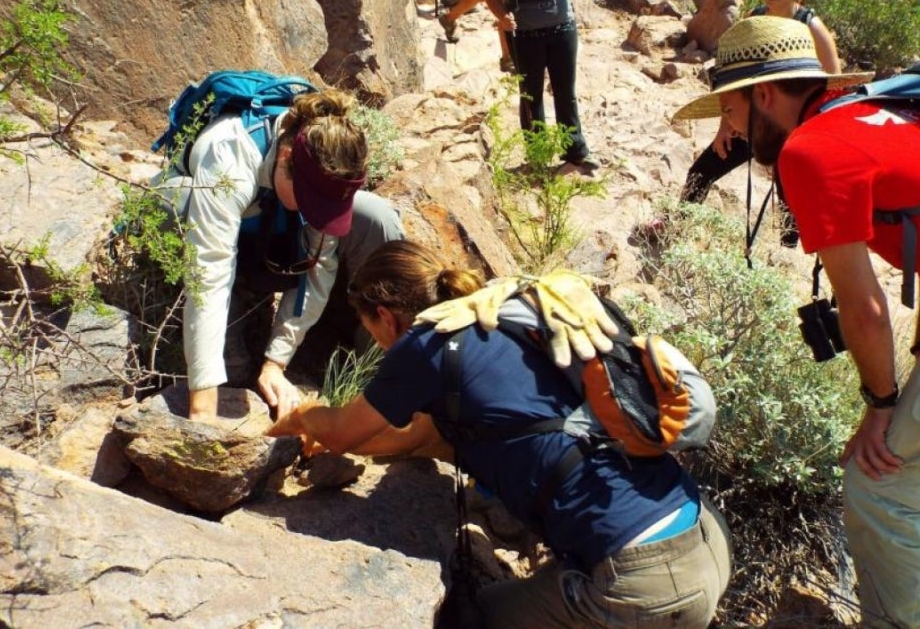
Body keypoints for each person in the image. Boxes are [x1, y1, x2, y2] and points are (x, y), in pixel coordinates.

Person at [674, 16, 920, 629]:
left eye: (727, 109)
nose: (726, 129)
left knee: (883, 490)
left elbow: (864, 306)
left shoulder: (812, 152)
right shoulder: (888, 108)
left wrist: (882, 405)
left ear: (761, 95)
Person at [269, 239, 733, 628]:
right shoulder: (503, 313)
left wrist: (302, 418)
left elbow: (347, 432)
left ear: (386, 316)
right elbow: (411, 438)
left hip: (642, 581)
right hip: (703, 535)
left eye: (371, 327)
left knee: (473, 619)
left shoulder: (425, 344)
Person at [154, 88, 405, 423]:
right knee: (176, 203)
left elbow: (320, 267)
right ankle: (236, 309)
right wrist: (202, 407)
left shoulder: (322, 164)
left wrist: (276, 362)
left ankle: (377, 380)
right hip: (209, 228)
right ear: (285, 157)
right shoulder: (230, 155)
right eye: (311, 200)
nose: (316, 212)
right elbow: (208, 274)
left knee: (377, 216)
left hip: (271, 230)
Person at [675, 0, 842, 246]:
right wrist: (724, 125)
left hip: (791, 126)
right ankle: (676, 230)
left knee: (789, 197)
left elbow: (833, 84)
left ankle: (785, 259)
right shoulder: (754, 21)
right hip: (750, 117)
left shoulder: (811, 26)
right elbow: (733, 81)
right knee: (701, 172)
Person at [484, 0, 601, 171]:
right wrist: (502, 17)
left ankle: (574, 150)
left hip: (562, 28)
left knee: (565, 91)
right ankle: (537, 154)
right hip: (524, 34)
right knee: (531, 95)